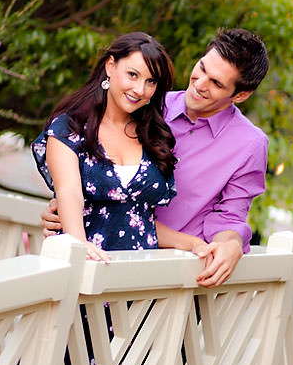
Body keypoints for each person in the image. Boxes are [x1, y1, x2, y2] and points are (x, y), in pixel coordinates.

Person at [40, 28, 270, 287]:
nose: (200, 84)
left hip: (173, 277)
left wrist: (230, 244)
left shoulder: (250, 144)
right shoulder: (147, 105)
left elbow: (230, 217)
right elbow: (94, 168)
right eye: (202, 68)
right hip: (100, 263)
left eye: (216, 83)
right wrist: (68, 213)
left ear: (240, 95)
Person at [32, 31, 177, 261]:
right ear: (111, 66)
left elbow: (141, 219)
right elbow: (69, 193)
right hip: (86, 270)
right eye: (132, 74)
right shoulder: (69, 129)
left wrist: (195, 244)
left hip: (140, 281)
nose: (140, 89)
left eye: (150, 81)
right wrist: (80, 248)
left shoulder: (153, 136)